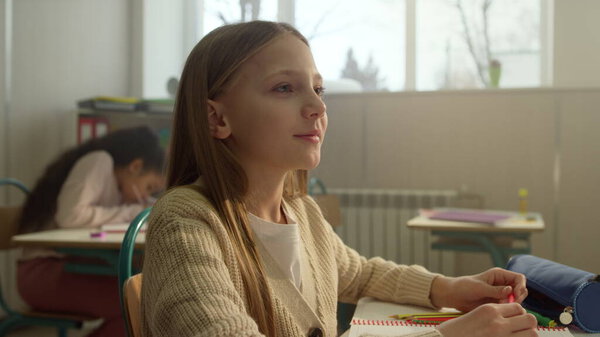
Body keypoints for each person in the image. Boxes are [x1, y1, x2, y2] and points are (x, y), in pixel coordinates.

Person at [141, 21, 537, 337]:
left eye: (318, 88)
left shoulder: (302, 213)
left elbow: (360, 274)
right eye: (284, 88)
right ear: (217, 118)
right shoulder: (185, 223)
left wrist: (447, 288)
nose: (317, 106)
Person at [17, 126, 165, 337]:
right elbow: (70, 216)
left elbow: (119, 212)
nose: (145, 194)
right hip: (41, 273)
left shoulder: (119, 189)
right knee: (138, 302)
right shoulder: (99, 161)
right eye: (149, 186)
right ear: (135, 166)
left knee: (144, 294)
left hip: (72, 268)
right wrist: (133, 210)